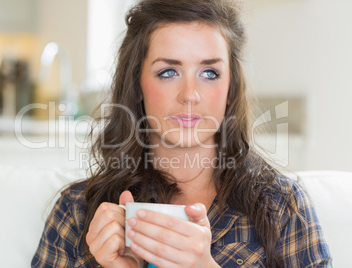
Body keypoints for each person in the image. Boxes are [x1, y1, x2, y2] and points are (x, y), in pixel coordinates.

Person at [31, 0, 332, 267]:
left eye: (209, 73)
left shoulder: (281, 205)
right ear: (137, 86)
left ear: (231, 89)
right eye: (168, 72)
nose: (190, 95)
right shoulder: (77, 212)